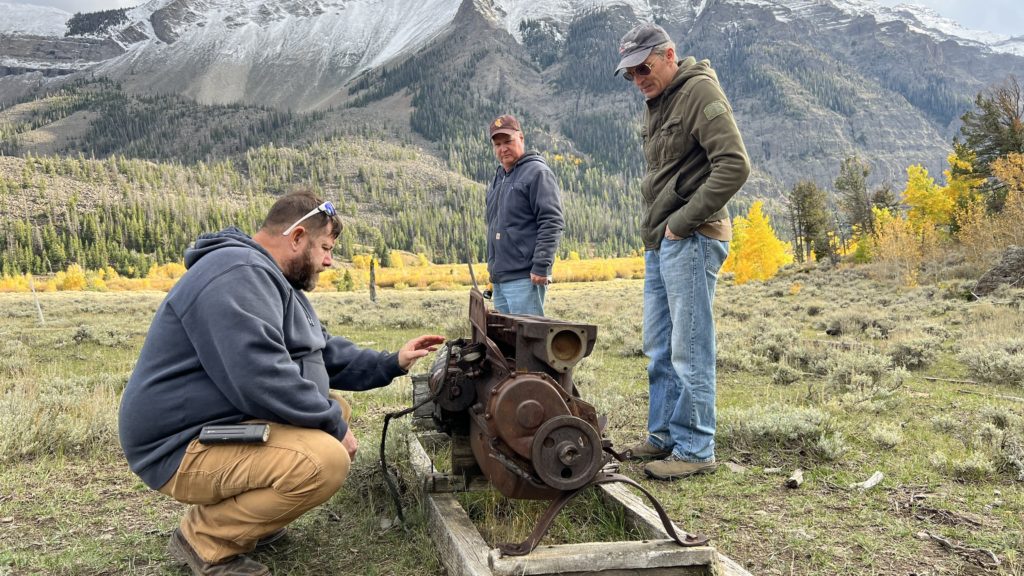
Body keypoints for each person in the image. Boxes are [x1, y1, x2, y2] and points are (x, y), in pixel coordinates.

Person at [118, 191, 445, 575]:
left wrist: (392, 361)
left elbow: (318, 353)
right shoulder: (234, 273)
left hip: (214, 423)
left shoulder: (268, 278)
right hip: (175, 445)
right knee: (323, 460)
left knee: (333, 409)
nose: (328, 261)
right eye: (324, 247)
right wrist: (334, 428)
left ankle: (252, 521)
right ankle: (207, 540)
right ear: (296, 237)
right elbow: (261, 376)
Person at [614, 23, 750, 480]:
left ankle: (695, 449)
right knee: (659, 347)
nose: (638, 80)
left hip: (690, 239)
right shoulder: (660, 101)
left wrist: (680, 223)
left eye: (643, 68)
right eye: (630, 74)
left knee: (689, 348)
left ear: (669, 54)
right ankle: (664, 438)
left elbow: (734, 165)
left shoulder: (698, 93)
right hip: (662, 243)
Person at [485, 114, 564, 316]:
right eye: (497, 144)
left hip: (525, 277)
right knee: (506, 342)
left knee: (527, 341)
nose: (503, 149)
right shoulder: (500, 177)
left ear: (521, 138)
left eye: (508, 141)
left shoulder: (537, 172)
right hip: (501, 280)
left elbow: (551, 221)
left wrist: (541, 266)